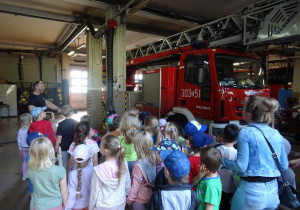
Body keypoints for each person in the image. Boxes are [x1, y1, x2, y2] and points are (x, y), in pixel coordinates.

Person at [222, 95, 289, 210]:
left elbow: (241, 166)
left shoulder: (246, 132)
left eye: (244, 108)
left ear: (249, 113)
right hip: (273, 193)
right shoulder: (276, 133)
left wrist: (222, 160)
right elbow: (284, 166)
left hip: (251, 193)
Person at [89, 135, 131, 210]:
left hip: (103, 206)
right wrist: (127, 194)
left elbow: (94, 193)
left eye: (100, 144)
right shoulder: (123, 162)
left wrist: (91, 207)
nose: (99, 145)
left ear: (105, 151)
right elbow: (127, 183)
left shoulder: (98, 170)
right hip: (120, 203)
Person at [26, 137, 68, 210]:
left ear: (32, 153)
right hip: (56, 205)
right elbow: (64, 191)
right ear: (50, 152)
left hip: (38, 206)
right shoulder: (60, 170)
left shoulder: (30, 170)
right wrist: (65, 204)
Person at [127, 132, 156, 209]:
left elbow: (136, 186)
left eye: (135, 145)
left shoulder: (138, 166)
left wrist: (129, 200)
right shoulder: (153, 160)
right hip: (151, 196)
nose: (134, 147)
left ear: (139, 147)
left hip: (139, 199)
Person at [216, 124, 239, 210]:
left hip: (217, 183)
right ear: (236, 139)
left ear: (223, 135)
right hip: (229, 187)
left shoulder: (217, 149)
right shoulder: (236, 153)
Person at [65, 144, 94, 210]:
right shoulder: (94, 170)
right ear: (89, 158)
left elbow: (72, 195)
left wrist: (68, 208)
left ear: (74, 160)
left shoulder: (72, 174)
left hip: (76, 207)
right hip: (90, 205)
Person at [26, 131, 49, 210]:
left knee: (34, 199)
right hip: (38, 184)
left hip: (34, 183)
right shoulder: (32, 157)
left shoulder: (29, 155)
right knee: (36, 199)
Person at [55, 105, 78, 169]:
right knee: (74, 163)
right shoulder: (76, 123)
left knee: (65, 162)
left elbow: (59, 137)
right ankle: (73, 177)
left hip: (64, 147)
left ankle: (65, 177)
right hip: (74, 146)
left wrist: (56, 146)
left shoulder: (61, 124)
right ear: (72, 113)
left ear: (62, 113)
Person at [17, 113, 32, 181]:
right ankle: (31, 175)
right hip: (31, 147)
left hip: (23, 148)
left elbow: (19, 140)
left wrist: (20, 149)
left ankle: (24, 176)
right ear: (30, 121)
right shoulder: (30, 129)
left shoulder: (20, 130)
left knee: (25, 162)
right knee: (32, 161)